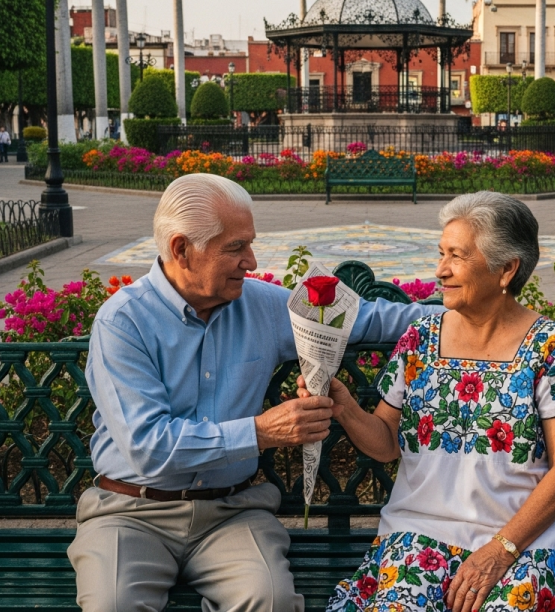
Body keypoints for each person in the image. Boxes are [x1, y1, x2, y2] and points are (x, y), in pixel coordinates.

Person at [68, 173, 439, 612]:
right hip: (129, 513)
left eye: (250, 243)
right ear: (181, 250)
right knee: (113, 605)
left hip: (232, 512)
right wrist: (261, 432)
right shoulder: (123, 322)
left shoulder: (261, 304)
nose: (252, 259)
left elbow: (370, 320)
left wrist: (467, 310)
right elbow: (148, 447)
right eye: (235, 247)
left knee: (271, 600)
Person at [313, 192, 555, 612]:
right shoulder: (420, 340)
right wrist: (345, 407)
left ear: (506, 268)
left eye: (457, 257)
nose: (440, 270)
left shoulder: (553, 350)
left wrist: (501, 549)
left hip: (533, 536)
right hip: (424, 529)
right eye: (441, 253)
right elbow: (386, 442)